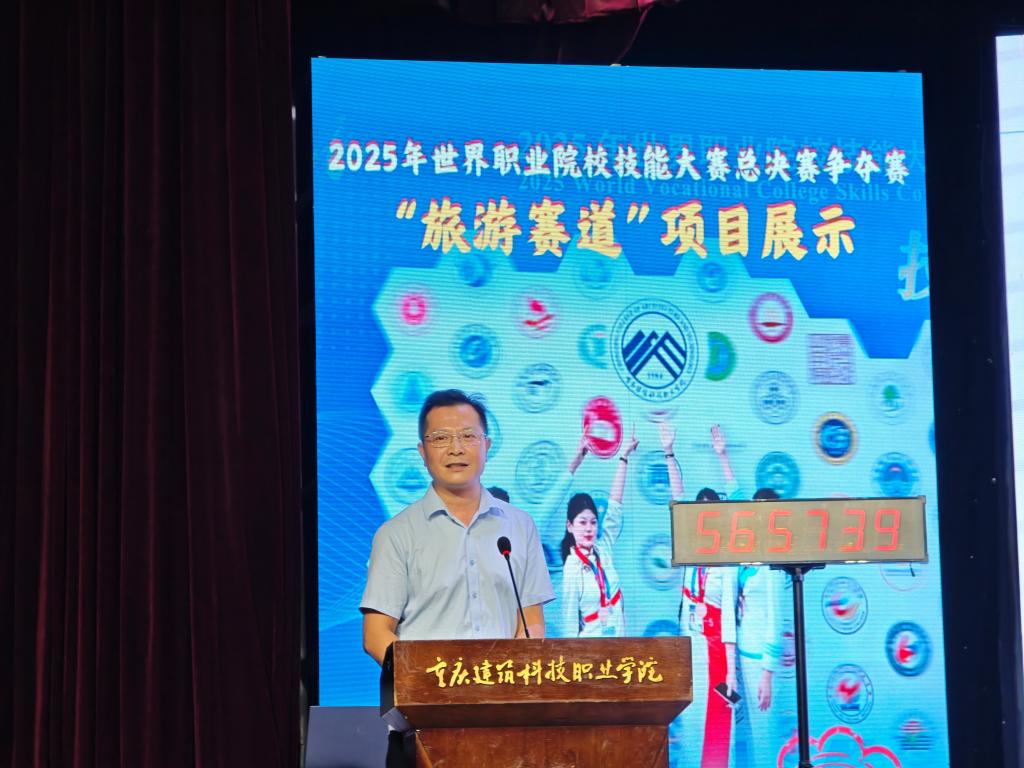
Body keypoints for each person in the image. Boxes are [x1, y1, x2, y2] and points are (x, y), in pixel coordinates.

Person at [360, 389, 555, 766]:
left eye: (468, 435)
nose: (455, 448)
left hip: (504, 724)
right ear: (422, 452)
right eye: (440, 438)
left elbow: (531, 625)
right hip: (422, 728)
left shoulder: (519, 526)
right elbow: (376, 635)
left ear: (487, 445)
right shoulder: (397, 534)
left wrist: (507, 687)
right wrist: (434, 683)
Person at [557, 428, 639, 637]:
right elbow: (569, 625)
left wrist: (624, 456)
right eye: (582, 522)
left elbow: (615, 506)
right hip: (591, 651)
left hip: (619, 645)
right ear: (570, 526)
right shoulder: (571, 568)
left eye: (593, 522)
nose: (588, 528)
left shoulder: (603, 549)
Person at [730, 488, 789, 768]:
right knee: (749, 736)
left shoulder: (774, 562)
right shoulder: (748, 553)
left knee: (765, 739)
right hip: (741, 656)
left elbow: (776, 619)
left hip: (759, 663)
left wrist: (767, 674)